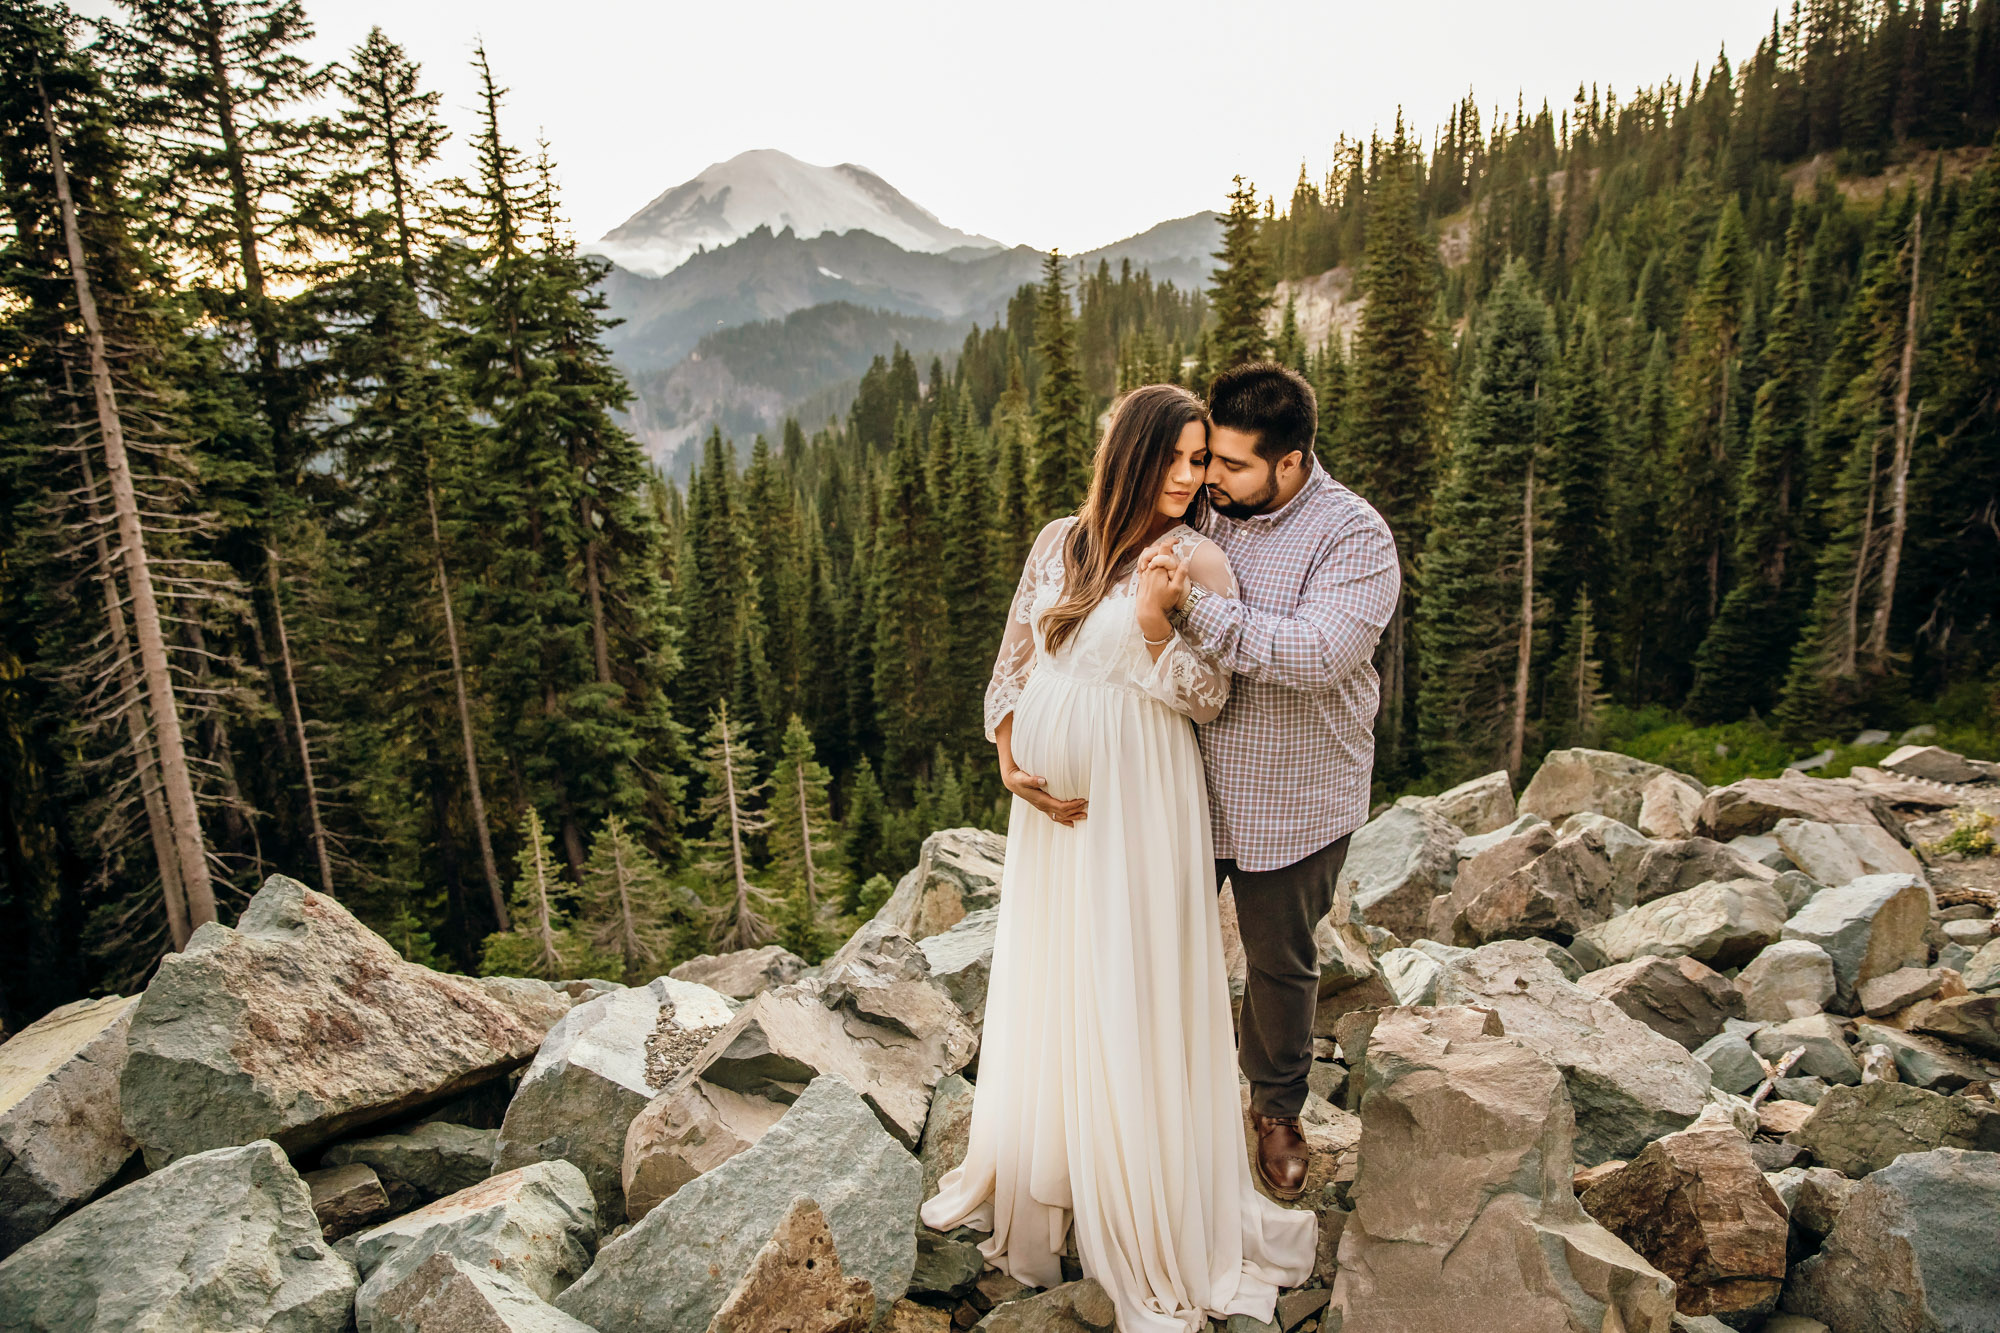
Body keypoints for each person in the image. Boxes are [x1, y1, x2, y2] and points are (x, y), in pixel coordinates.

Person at [919, 383, 1316, 1333]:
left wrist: (1155, 621)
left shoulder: (1200, 560)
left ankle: (1143, 1195)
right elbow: (1018, 659)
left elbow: (1208, 698)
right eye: (1176, 458)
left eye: (1201, 461)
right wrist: (1011, 760)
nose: (1191, 478)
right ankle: (1058, 1166)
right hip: (1051, 814)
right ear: (1131, 456)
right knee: (1060, 976)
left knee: (1130, 979)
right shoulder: (1064, 539)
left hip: (1141, 799)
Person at [1145, 361, 1400, 1201]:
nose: (1209, 479)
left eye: (1232, 465)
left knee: (1280, 962)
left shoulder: (1353, 536)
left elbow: (1318, 653)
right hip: (1184, 780)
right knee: (1156, 939)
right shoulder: (1206, 497)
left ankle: (1278, 1108)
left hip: (1296, 796)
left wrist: (1194, 611)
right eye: (1207, 458)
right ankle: (1153, 1098)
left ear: (1290, 462)